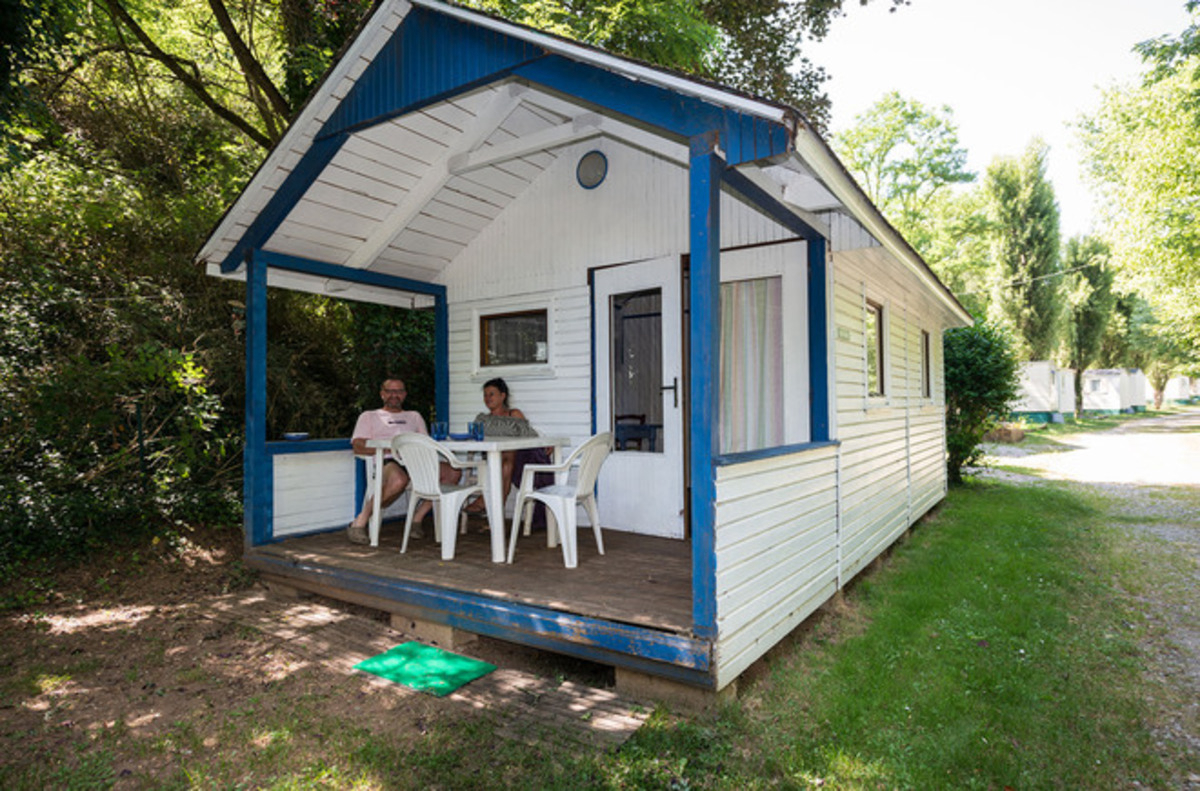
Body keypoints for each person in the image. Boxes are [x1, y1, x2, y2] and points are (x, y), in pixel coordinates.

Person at [347, 377, 457, 545]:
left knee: (453, 471)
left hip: (416, 462)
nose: (394, 395)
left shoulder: (414, 416)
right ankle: (360, 521)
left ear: (404, 395)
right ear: (382, 394)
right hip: (388, 461)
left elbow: (425, 442)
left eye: (398, 391)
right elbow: (358, 446)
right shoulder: (369, 416)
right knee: (399, 479)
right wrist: (388, 450)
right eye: (390, 391)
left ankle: (416, 519)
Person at [467, 378, 552, 528]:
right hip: (491, 459)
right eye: (485, 395)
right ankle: (495, 518)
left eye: (491, 394)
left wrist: (546, 444)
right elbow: (474, 440)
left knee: (507, 459)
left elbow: (530, 436)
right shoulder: (482, 419)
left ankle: (485, 502)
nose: (487, 399)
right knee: (505, 462)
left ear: (502, 395)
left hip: (517, 461)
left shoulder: (514, 414)